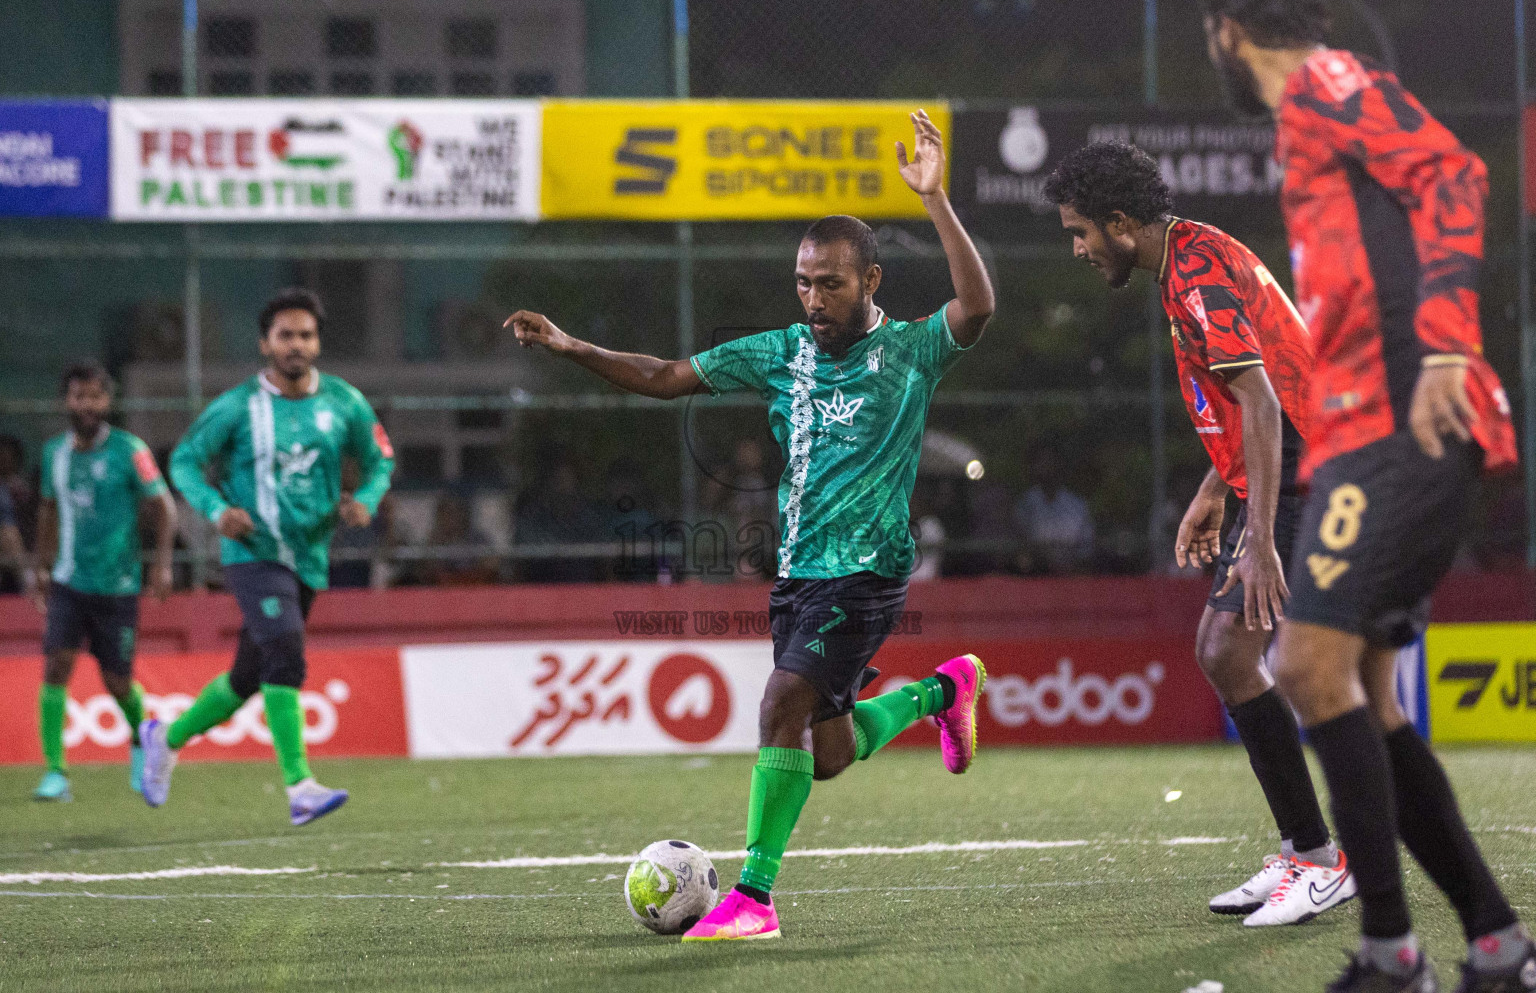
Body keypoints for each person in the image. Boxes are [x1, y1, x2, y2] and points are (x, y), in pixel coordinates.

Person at [506, 110, 993, 941]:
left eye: (829, 283)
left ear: (870, 280)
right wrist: (571, 346)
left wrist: (937, 200)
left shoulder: (910, 350)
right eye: (803, 282)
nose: (812, 298)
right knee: (826, 752)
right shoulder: (780, 350)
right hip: (798, 577)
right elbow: (665, 377)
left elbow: (977, 307)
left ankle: (754, 899)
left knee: (778, 708)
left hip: (867, 573)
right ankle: (945, 690)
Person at [1201, 0, 1533, 989]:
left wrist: (1442, 347)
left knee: (1304, 667)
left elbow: (1455, 178)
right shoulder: (1312, 107)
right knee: (1365, 701)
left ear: (1227, 32)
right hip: (1363, 429)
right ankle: (1495, 942)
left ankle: (1391, 950)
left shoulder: (1323, 85)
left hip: (1401, 419)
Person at [1045, 140, 1352, 926]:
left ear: (1121, 222)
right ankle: (1309, 852)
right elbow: (1257, 391)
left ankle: (1322, 859)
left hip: (1311, 473)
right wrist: (1216, 488)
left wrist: (1265, 536)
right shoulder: (1188, 257)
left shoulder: (1197, 272)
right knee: (1230, 653)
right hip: (1285, 473)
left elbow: (1267, 402)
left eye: (1080, 231)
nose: (1077, 249)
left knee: (1237, 652)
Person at [142, 288, 395, 826]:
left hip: (308, 557)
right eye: (285, 335)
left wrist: (366, 502)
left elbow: (379, 461)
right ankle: (300, 785)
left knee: (247, 678)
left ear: (318, 342)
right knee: (286, 652)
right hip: (252, 552)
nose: (296, 344)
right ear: (265, 343)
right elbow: (184, 460)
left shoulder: (344, 403)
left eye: (305, 334)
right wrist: (216, 509)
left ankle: (166, 736)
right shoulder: (237, 407)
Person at [26, 363, 176, 802]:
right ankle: (56, 772)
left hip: (118, 585)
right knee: (56, 667)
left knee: (118, 684)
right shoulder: (54, 452)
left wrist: (162, 565)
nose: (86, 405)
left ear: (107, 402)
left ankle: (142, 740)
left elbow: (163, 507)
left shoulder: (130, 450)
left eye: (95, 396)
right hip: (69, 582)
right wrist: (40, 566)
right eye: (78, 396)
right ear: (66, 401)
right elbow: (48, 510)